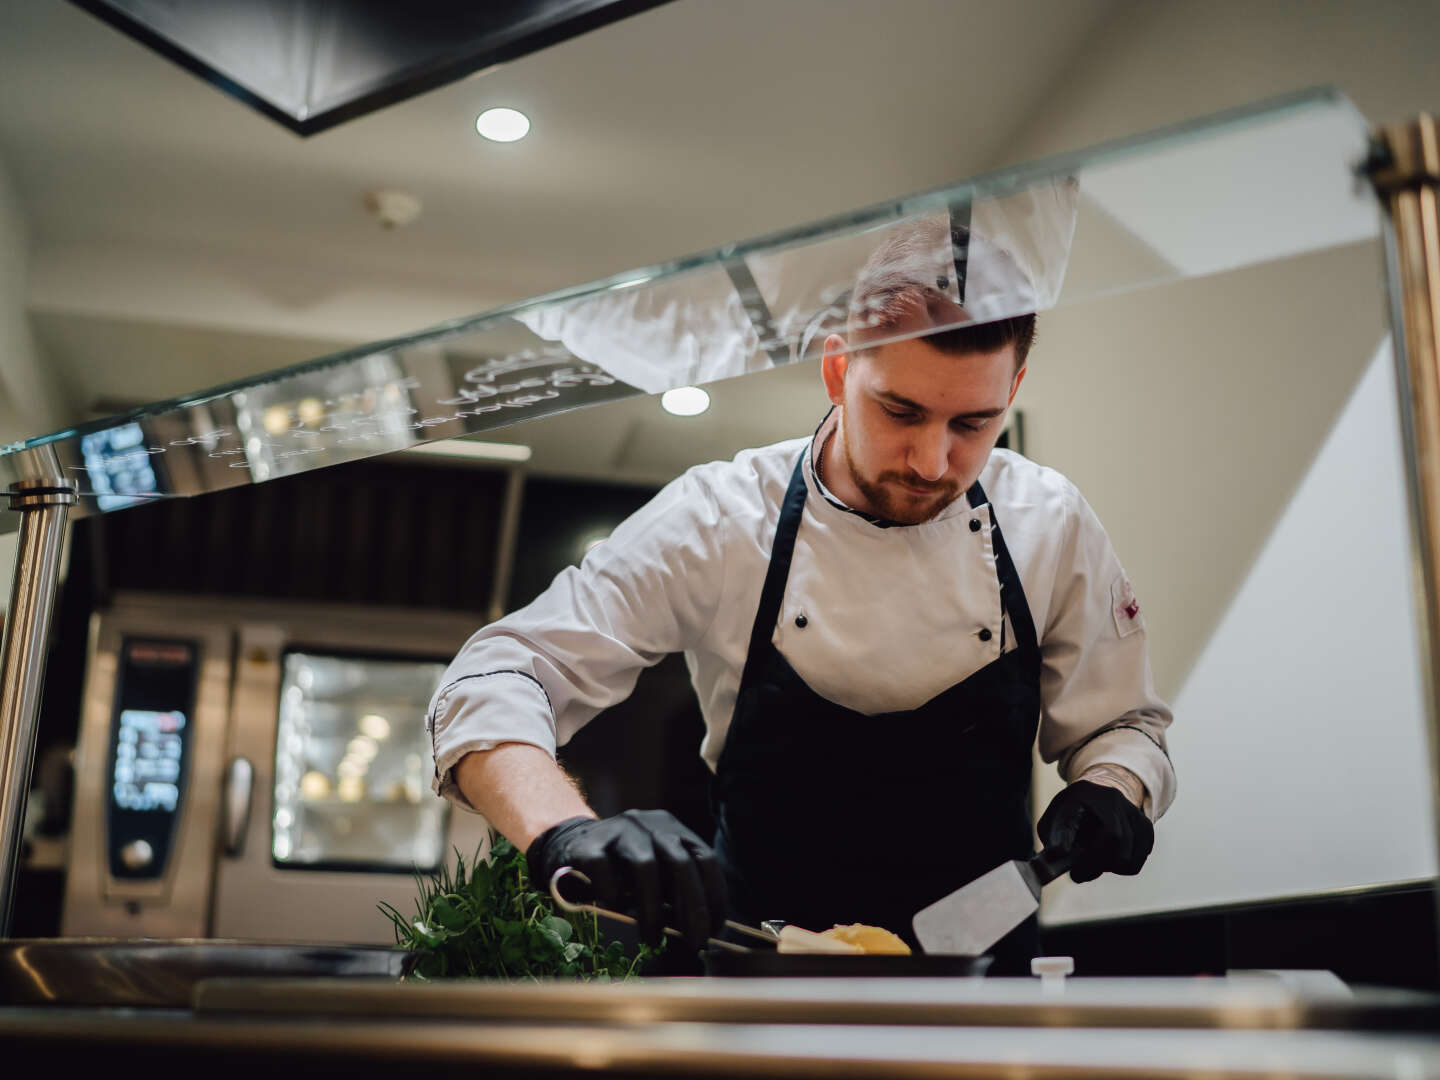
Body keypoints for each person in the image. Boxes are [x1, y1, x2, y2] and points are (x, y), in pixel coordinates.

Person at [427, 212, 1175, 973]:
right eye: (901, 411)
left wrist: (1114, 784)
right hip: (761, 974)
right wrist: (564, 831)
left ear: (1012, 391)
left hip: (985, 979)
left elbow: (1122, 725)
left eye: (974, 423)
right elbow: (497, 673)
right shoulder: (720, 518)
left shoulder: (1049, 522)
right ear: (838, 368)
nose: (931, 460)